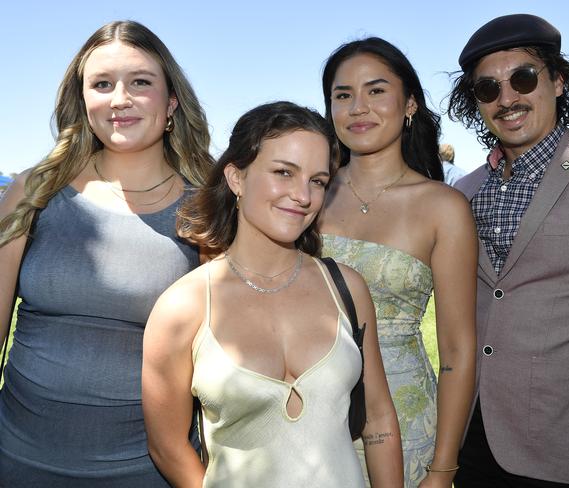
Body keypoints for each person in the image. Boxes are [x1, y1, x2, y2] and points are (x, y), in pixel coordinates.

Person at [142, 101, 403, 488]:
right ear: (236, 178)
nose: (303, 196)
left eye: (317, 181)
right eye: (284, 172)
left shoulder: (346, 288)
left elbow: (379, 420)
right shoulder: (185, 306)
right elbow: (166, 446)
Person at [0, 20, 214, 486]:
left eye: (140, 82)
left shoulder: (205, 210)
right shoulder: (33, 193)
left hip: (146, 471)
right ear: (84, 100)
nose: (120, 99)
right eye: (102, 84)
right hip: (14, 460)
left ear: (171, 100)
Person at [447, 13, 569, 487]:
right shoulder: (464, 193)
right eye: (487, 88)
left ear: (559, 81)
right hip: (470, 445)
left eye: (522, 78)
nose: (507, 98)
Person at [319, 37, 477, 488]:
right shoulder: (309, 193)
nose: (357, 107)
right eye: (343, 95)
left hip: (406, 425)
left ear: (409, 105)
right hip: (308, 418)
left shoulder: (443, 207)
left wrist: (443, 467)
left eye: (376, 90)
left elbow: (458, 351)